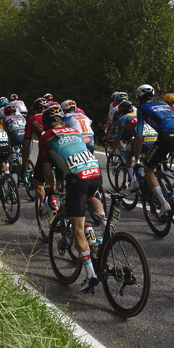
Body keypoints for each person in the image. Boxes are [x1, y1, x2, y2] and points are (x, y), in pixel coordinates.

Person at [39, 104, 107, 292]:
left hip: (77, 178)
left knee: (77, 229)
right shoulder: (75, 132)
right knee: (91, 196)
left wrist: (51, 187)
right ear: (62, 121)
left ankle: (91, 275)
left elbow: (47, 169)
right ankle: (106, 229)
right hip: (95, 172)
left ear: (46, 124)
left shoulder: (46, 137)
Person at [133, 84, 174, 219]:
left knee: (148, 169)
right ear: (153, 97)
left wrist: (137, 158)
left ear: (139, 99)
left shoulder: (141, 108)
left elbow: (139, 136)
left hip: (166, 136)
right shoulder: (164, 104)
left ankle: (164, 203)